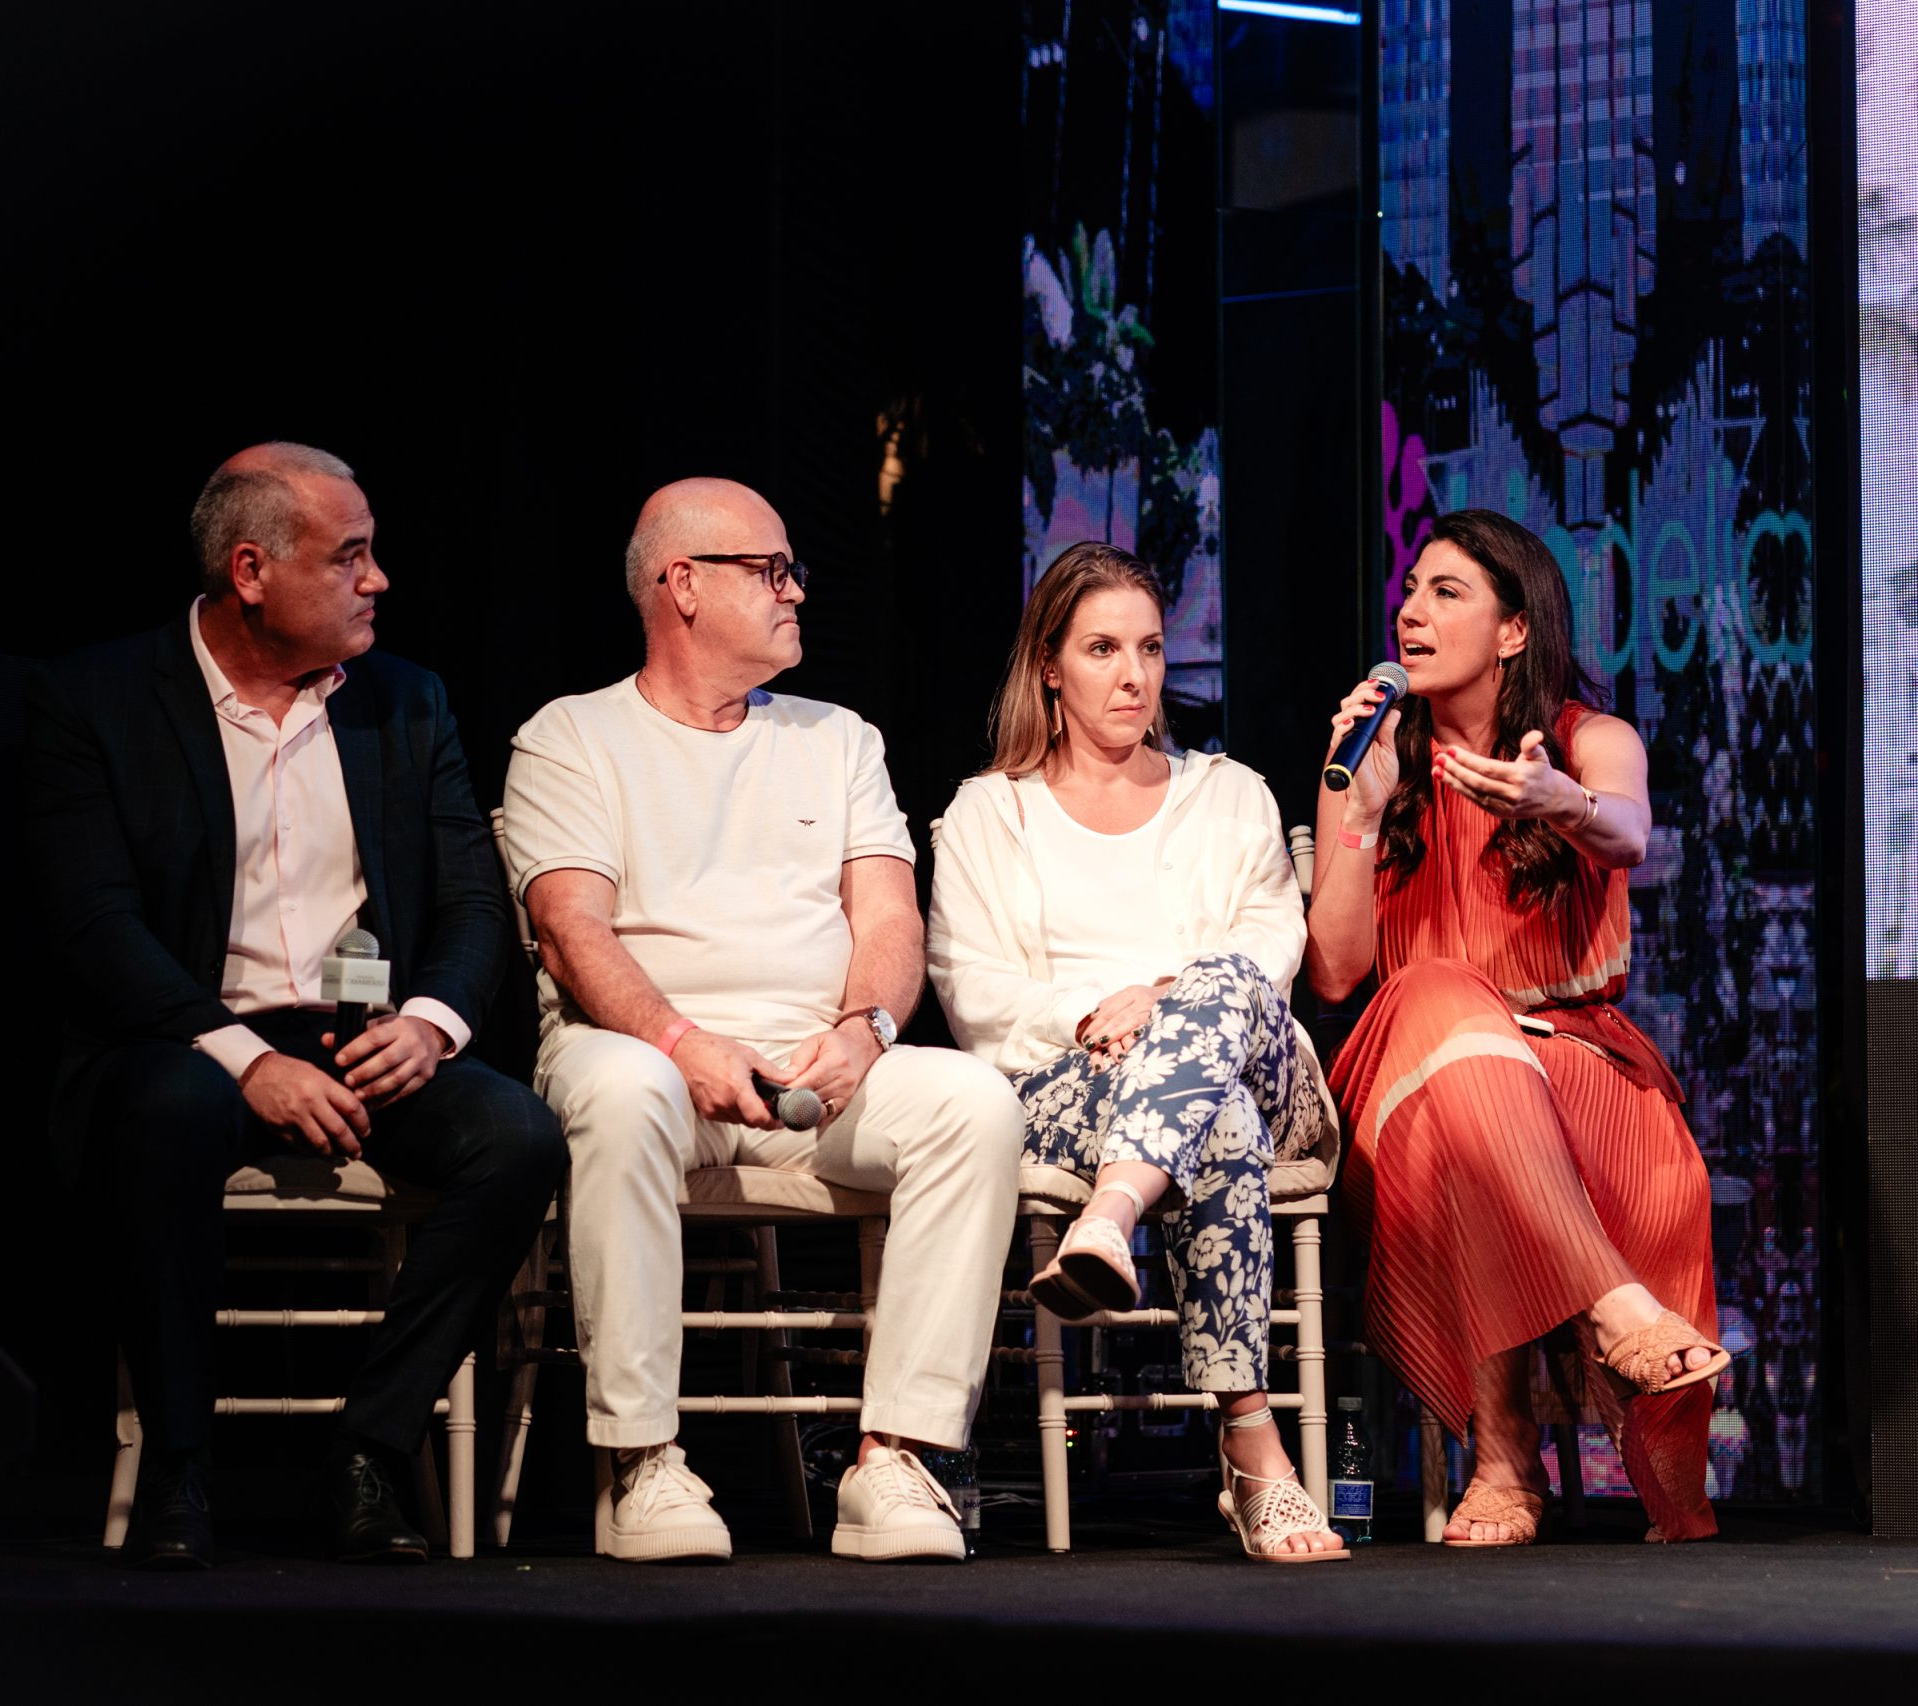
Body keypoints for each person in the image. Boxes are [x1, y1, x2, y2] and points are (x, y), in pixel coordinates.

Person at [25, 442, 565, 1569]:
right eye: (351, 557)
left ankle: (368, 1448)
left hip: (359, 1031)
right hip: (182, 1032)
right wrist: (240, 1057)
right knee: (168, 1109)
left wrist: (428, 1021)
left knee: (516, 1134)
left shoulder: (408, 703)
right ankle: (180, 1463)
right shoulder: (97, 700)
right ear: (252, 569)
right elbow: (91, 925)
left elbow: (471, 895)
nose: (378, 581)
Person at [503, 476, 1024, 1564]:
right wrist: (683, 1043)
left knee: (972, 1101)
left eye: (793, 567)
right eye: (771, 568)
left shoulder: (838, 737)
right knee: (624, 1085)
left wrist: (861, 1032)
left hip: (815, 1060)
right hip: (650, 1057)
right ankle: (640, 1461)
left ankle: (895, 1457)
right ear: (680, 585)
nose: (799, 587)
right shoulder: (572, 735)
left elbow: (888, 916)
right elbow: (571, 930)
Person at [1308, 508, 1726, 1547]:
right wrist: (1355, 808)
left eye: (1446, 591)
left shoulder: (1588, 739)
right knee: (1449, 1009)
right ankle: (1600, 1325)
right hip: (1409, 1066)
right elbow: (1338, 969)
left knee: (1505, 1113)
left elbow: (1628, 832)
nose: (1409, 608)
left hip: (1574, 1057)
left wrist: (1558, 800)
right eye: (1409, 588)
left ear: (1511, 629)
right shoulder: (1369, 762)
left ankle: (1510, 1460)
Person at [928, 541, 1346, 1564]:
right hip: (1067, 1087)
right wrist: (1086, 1019)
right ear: (1049, 668)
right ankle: (1254, 1448)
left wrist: (1158, 1000)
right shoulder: (991, 811)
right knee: (1218, 1119)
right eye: (1104, 647)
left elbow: (1267, 960)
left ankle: (1109, 1216)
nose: (1134, 674)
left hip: (1249, 1057)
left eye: (1151, 647)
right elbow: (973, 993)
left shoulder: (1228, 792)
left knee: (1221, 993)